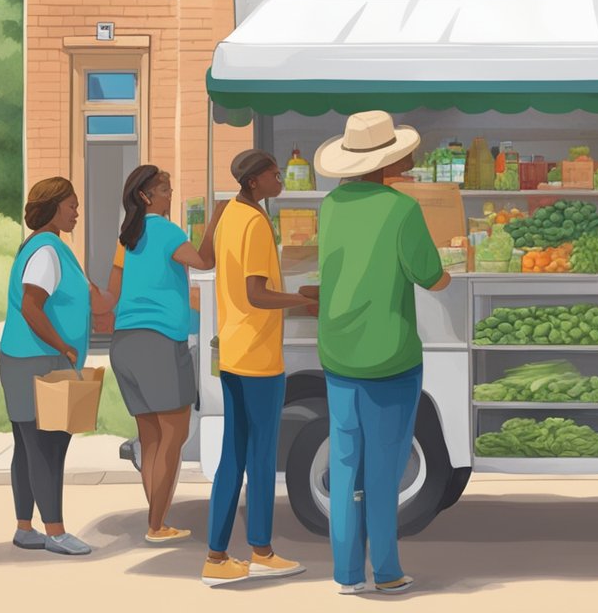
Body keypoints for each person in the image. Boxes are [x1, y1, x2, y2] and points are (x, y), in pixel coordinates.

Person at [311, 112, 453, 595]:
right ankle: (387, 571)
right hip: (389, 355)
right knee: (385, 468)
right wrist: (446, 272)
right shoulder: (401, 209)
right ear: (387, 159)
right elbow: (429, 273)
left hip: (337, 352)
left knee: (346, 462)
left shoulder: (330, 206)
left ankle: (348, 574)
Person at [202, 150, 317, 587]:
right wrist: (305, 299)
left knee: (234, 454)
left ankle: (216, 555)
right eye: (273, 174)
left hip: (233, 350)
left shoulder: (231, 212)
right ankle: (261, 552)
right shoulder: (253, 223)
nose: (279, 179)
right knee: (262, 457)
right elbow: (257, 294)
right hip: (258, 356)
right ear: (254, 183)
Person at [105, 165, 225, 543]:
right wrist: (216, 221)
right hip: (159, 342)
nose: (170, 195)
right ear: (146, 196)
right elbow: (205, 262)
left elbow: (113, 292)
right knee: (175, 433)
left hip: (124, 343)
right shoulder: (167, 231)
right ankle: (157, 525)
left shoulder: (127, 237)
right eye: (165, 189)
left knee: (151, 438)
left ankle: (156, 519)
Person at [0, 178, 93, 556]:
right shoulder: (47, 250)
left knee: (26, 447)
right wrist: (63, 345)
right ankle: (55, 532)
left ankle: (25, 528)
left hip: (23, 359)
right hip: (38, 361)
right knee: (46, 448)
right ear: (53, 207)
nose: (76, 212)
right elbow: (32, 305)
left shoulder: (42, 247)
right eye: (71, 205)